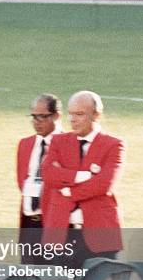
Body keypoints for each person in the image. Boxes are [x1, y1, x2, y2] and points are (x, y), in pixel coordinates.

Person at [41, 91, 125, 268]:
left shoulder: (113, 144)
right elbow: (48, 174)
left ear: (96, 115)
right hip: (61, 234)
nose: (72, 119)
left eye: (79, 114)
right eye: (70, 113)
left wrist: (68, 190)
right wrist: (81, 176)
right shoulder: (58, 141)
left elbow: (103, 184)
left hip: (100, 235)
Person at [16, 94, 62, 264]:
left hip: (54, 225)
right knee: (29, 279)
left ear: (56, 116)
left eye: (42, 116)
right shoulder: (24, 144)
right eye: (33, 116)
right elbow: (21, 181)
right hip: (29, 226)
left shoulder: (69, 143)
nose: (36, 121)